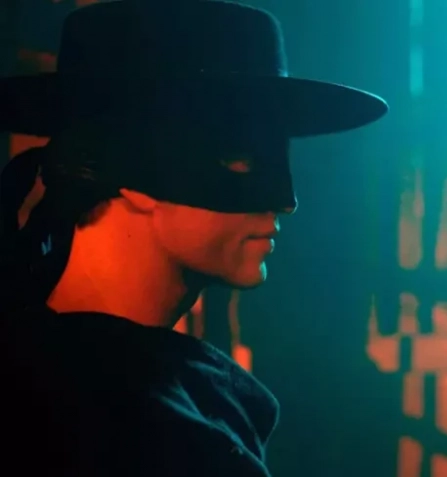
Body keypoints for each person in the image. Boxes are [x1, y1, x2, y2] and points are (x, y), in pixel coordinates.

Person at [0, 1, 386, 476]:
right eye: (241, 158)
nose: (286, 201)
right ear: (132, 167)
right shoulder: (128, 435)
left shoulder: (53, 374)